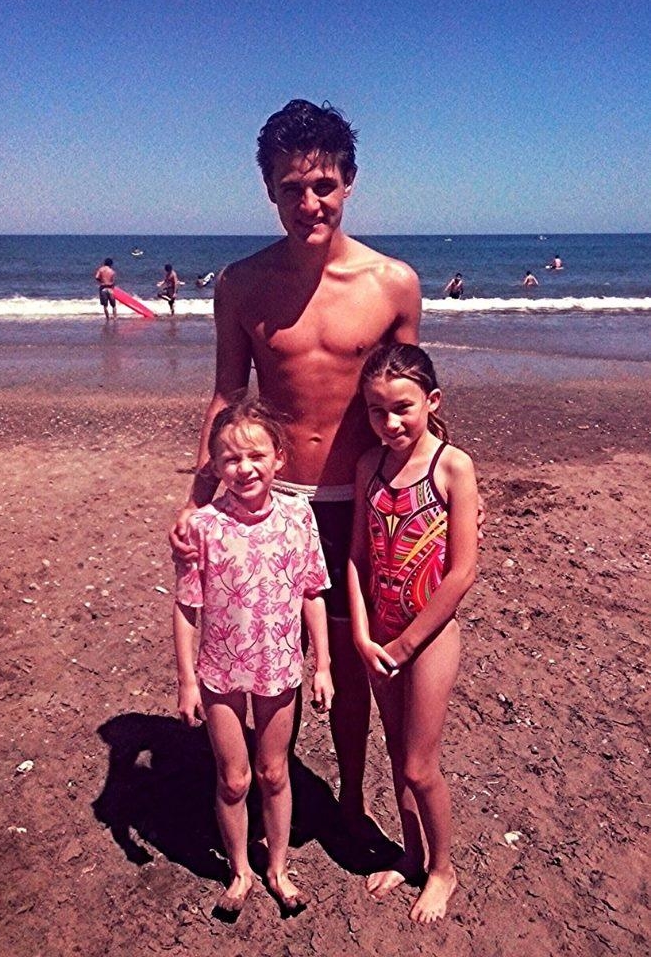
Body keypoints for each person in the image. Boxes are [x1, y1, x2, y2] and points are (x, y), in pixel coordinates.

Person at [170, 99, 422, 833]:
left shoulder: (392, 284)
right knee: (258, 653)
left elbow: (408, 401)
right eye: (290, 188)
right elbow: (227, 393)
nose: (308, 203)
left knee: (351, 658)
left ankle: (351, 797)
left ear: (349, 182)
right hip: (270, 501)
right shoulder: (241, 284)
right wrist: (197, 498)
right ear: (269, 190)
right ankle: (268, 783)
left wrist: (436, 490)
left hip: (360, 498)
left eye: (323, 185)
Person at [173, 397, 334, 914]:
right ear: (216, 466)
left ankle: (278, 868)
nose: (244, 468)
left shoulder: (298, 516)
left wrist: (323, 665)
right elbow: (186, 607)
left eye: (256, 456)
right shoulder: (203, 526)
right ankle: (240, 869)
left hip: (280, 666)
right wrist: (187, 681)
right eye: (230, 459)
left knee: (273, 773)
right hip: (219, 670)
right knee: (234, 778)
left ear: (278, 458)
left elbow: (312, 592)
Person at [348, 343, 478, 924]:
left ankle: (443, 869)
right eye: (377, 411)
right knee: (398, 755)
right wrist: (361, 632)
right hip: (380, 635)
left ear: (432, 401)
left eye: (402, 408)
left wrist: (405, 645)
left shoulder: (452, 467)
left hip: (428, 639)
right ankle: (411, 853)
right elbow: (356, 558)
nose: (390, 422)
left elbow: (461, 572)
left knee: (422, 766)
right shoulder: (367, 467)